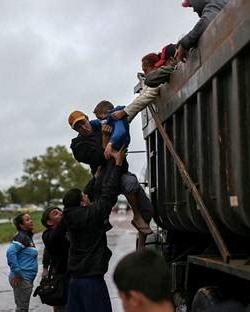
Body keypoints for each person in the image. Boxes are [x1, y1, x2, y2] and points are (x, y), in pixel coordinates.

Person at [68, 110, 153, 238]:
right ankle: (95, 229)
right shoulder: (78, 145)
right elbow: (100, 160)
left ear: (87, 119)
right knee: (98, 209)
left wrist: (120, 115)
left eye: (83, 122)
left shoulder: (102, 124)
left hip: (121, 171)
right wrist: (105, 139)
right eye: (78, 127)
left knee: (132, 184)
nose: (83, 127)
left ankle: (138, 218)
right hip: (102, 178)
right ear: (76, 131)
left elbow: (121, 122)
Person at [62, 147, 125, 312]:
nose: (87, 196)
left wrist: (96, 176)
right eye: (84, 197)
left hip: (74, 281)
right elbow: (108, 194)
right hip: (91, 281)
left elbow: (86, 193)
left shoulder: (69, 215)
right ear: (82, 203)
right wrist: (117, 165)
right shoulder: (92, 215)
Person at [111, 44, 177, 122]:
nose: (145, 75)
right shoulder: (155, 80)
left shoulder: (159, 80)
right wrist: (126, 115)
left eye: (145, 70)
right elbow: (141, 96)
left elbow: (145, 97)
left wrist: (123, 113)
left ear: (155, 67)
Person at [6, 213, 38, 312]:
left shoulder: (27, 237)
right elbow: (10, 252)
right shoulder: (21, 237)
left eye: (31, 219)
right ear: (21, 225)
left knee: (23, 308)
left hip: (26, 278)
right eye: (27, 220)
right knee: (22, 309)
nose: (31, 221)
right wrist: (17, 272)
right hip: (21, 278)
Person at [41, 206, 70, 312]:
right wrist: (45, 267)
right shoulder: (47, 235)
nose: (61, 213)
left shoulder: (68, 230)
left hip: (75, 276)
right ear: (49, 222)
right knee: (62, 307)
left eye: (60, 211)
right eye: (55, 213)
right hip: (62, 278)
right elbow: (54, 238)